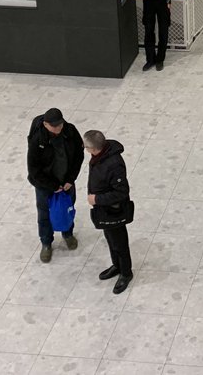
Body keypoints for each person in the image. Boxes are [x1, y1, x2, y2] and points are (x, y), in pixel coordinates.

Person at [26, 107, 84, 262]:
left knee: (68, 208)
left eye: (60, 124)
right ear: (45, 124)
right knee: (44, 214)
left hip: (66, 183)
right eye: (54, 126)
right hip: (45, 186)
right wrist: (52, 185)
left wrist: (70, 179)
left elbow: (79, 156)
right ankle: (46, 243)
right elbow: (34, 170)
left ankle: (68, 234)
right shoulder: (37, 140)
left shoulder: (70, 131)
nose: (58, 128)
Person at [84, 130, 133, 294]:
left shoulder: (114, 164)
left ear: (93, 148)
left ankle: (126, 272)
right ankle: (116, 265)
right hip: (104, 210)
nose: (85, 149)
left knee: (120, 243)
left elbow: (121, 192)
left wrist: (97, 199)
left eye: (86, 147)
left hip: (114, 211)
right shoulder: (99, 156)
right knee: (111, 240)